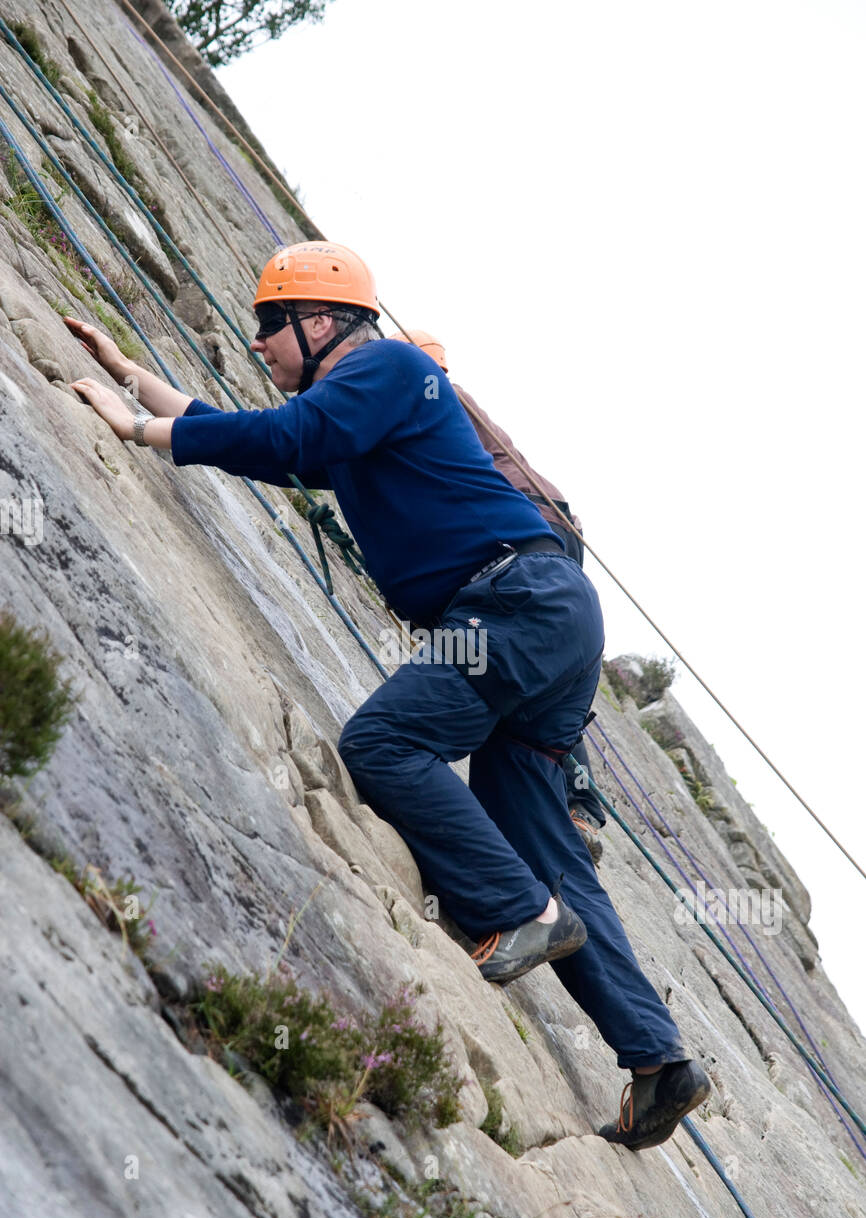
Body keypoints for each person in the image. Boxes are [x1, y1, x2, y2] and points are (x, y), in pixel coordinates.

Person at [68, 240, 710, 1150]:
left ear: (321, 320)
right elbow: (273, 450)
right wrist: (139, 382)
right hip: (541, 616)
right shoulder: (362, 410)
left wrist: (140, 433)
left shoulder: (386, 365)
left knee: (382, 744)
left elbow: (286, 436)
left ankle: (521, 914)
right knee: (538, 838)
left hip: (511, 605)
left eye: (268, 326)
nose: (261, 345)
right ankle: (658, 1063)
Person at [390, 330, 606, 861]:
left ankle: (579, 802)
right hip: (551, 523)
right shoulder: (456, 399)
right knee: (536, 673)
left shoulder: (441, 398)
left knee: (515, 663)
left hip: (528, 523)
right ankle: (578, 803)